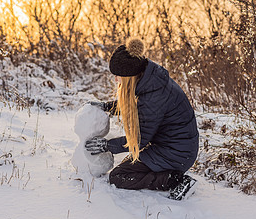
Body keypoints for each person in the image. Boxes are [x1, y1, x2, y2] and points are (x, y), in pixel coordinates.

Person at [85, 38, 199, 200]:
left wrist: (107, 145)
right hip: (174, 147)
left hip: (176, 154)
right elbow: (136, 104)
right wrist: (107, 107)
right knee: (130, 163)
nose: (116, 80)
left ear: (129, 76)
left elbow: (139, 141)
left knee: (118, 176)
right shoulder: (150, 80)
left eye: (118, 76)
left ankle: (174, 181)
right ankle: (168, 174)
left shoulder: (153, 96)